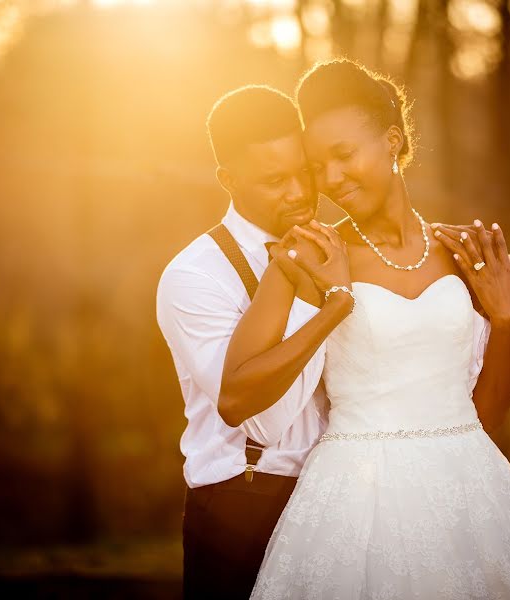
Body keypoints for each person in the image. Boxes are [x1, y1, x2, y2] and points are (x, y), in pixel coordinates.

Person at [222, 59, 510, 598]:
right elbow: (234, 397)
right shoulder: (310, 254)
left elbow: (486, 416)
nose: (332, 179)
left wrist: (509, 322)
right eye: (319, 166)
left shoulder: (460, 253)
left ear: (392, 141)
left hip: (472, 496)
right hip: (356, 499)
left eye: (344, 155)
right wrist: (334, 304)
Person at [155, 85, 333, 600]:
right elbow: (258, 417)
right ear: (228, 181)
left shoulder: (339, 247)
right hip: (244, 502)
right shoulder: (194, 275)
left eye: (305, 171)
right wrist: (315, 297)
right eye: (275, 181)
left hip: (340, 497)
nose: (299, 192)